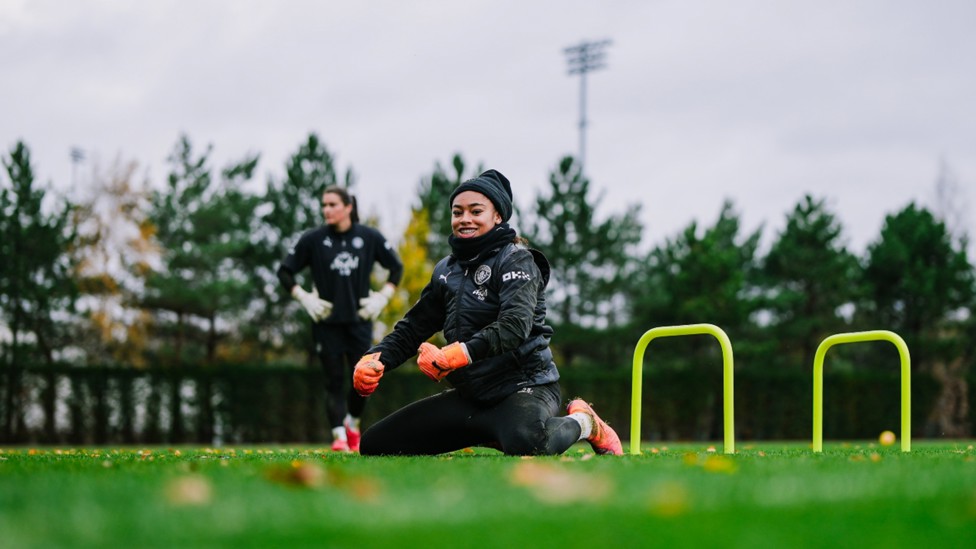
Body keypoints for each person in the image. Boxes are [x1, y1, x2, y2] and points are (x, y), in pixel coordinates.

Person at [351, 169, 622, 456]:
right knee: (375, 444)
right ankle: (495, 431)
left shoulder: (518, 260)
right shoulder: (445, 270)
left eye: (476, 211)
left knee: (528, 443)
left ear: (498, 216)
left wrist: (458, 354)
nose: (464, 218)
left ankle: (586, 423)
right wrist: (374, 359)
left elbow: (514, 326)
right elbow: (412, 329)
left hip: (526, 387)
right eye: (457, 212)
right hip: (473, 397)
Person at [277, 185, 403, 452]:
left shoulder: (369, 237)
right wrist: (304, 298)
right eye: (324, 205)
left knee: (362, 380)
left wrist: (382, 297)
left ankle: (352, 424)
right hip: (326, 324)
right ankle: (338, 437)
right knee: (333, 381)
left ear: (348, 207)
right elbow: (285, 271)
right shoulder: (312, 239)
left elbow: (396, 267)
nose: (327, 210)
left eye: (332, 204)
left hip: (360, 322)